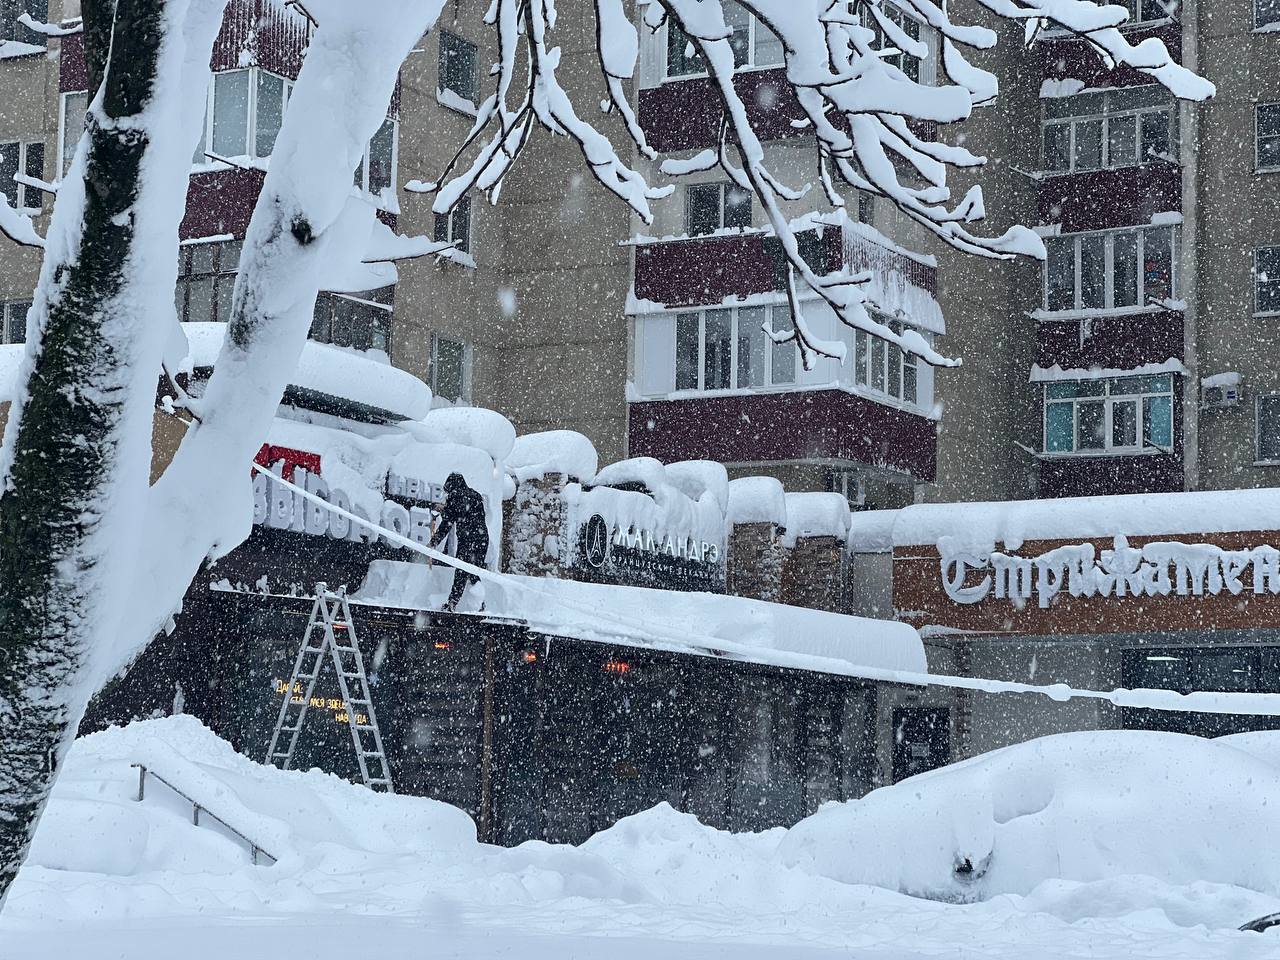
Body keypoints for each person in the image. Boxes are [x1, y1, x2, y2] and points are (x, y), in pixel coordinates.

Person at [430, 473, 490, 612]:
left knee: (461, 571)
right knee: (474, 571)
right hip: (482, 539)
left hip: (468, 540)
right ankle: (480, 605)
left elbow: (447, 523)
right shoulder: (475, 495)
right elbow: (463, 512)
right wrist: (446, 509)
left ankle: (452, 603)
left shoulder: (455, 496)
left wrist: (433, 543)